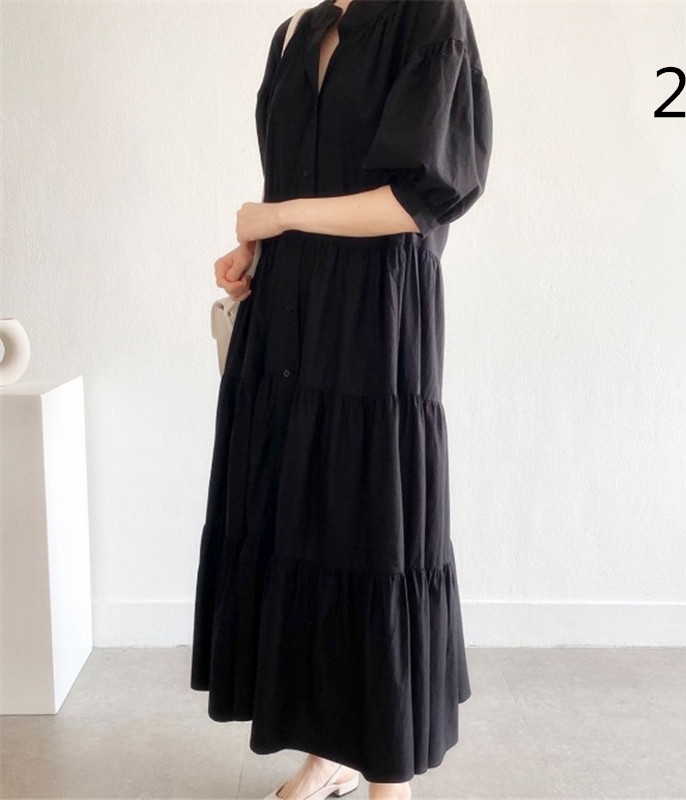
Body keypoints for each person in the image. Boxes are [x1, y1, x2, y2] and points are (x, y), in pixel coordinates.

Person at [190, 1, 493, 798]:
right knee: (298, 519)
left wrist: (278, 216)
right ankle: (329, 751)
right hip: (288, 310)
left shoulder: (428, 15)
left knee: (372, 524)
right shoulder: (294, 33)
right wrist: (257, 247)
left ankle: (389, 773)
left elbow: (417, 200)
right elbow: (300, 179)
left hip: (376, 311)